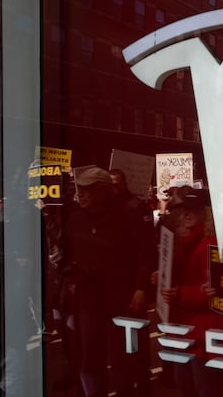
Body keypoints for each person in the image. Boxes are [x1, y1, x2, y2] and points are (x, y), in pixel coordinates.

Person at [64, 166, 152, 397]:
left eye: (87, 189)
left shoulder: (127, 217)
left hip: (121, 300)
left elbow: (145, 255)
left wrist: (141, 288)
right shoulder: (74, 220)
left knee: (122, 357)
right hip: (88, 301)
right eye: (79, 188)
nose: (81, 194)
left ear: (103, 191)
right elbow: (66, 256)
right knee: (90, 358)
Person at [157, 187, 223, 397]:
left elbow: (217, 292)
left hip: (205, 334)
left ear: (207, 212)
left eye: (194, 209)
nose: (186, 213)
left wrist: (179, 294)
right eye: (184, 209)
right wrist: (161, 277)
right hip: (187, 331)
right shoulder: (187, 241)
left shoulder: (213, 244)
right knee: (188, 386)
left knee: (205, 388)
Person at [109, 168, 156, 396]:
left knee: (137, 341)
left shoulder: (137, 208)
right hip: (111, 290)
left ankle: (143, 385)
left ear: (125, 184)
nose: (113, 189)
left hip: (132, 287)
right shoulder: (104, 209)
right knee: (117, 346)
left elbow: (146, 252)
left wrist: (141, 287)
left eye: (116, 184)